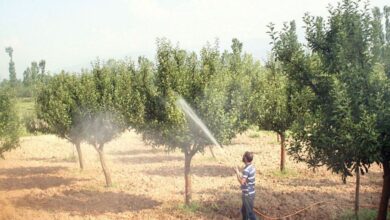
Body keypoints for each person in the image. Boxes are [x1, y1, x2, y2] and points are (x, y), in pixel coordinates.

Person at [235, 151, 257, 220]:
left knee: (249, 214)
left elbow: (242, 182)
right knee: (244, 211)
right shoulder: (251, 167)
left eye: (243, 156)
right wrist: (239, 173)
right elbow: (246, 178)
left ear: (245, 158)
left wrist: (237, 173)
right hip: (251, 193)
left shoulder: (246, 170)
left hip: (247, 195)